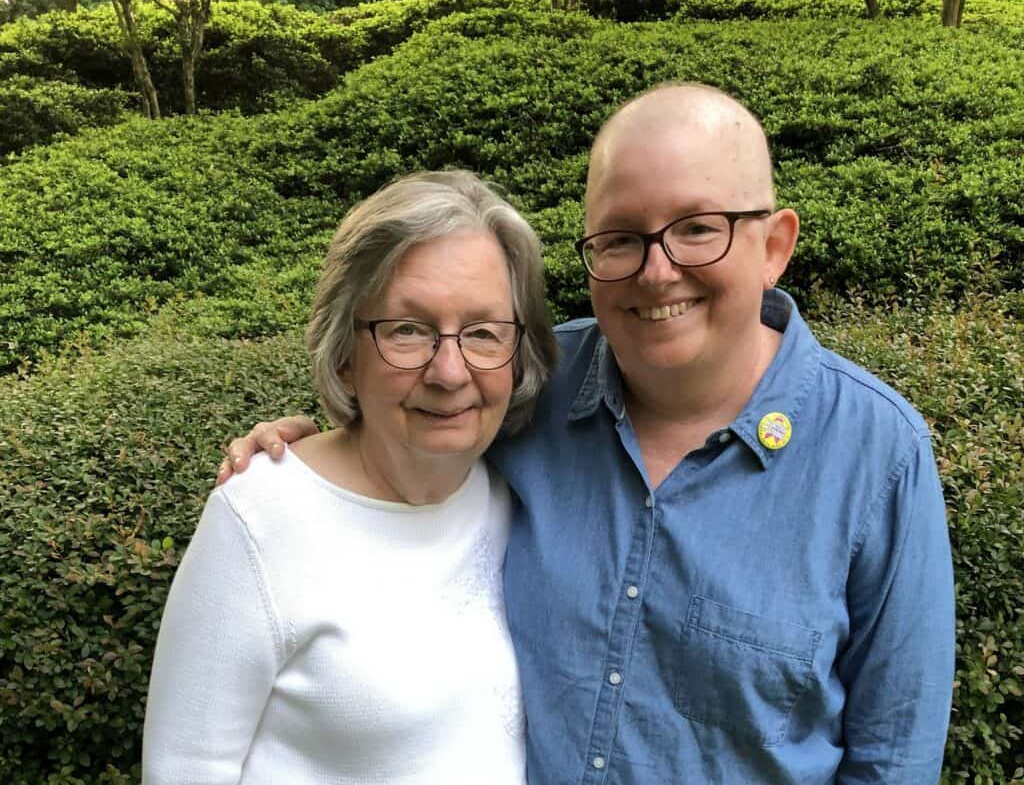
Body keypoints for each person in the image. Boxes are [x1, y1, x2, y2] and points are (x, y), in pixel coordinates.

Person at [220, 83, 956, 782]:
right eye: (620, 238)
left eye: (697, 228)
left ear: (773, 245)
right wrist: (301, 463)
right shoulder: (528, 381)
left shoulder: (877, 455)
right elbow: (403, 418)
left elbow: (893, 758)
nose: (656, 272)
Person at [142, 170, 558, 783]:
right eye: (407, 330)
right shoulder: (261, 518)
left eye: (482, 332)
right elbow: (184, 769)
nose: (449, 371)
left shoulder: (517, 486)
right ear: (345, 349)